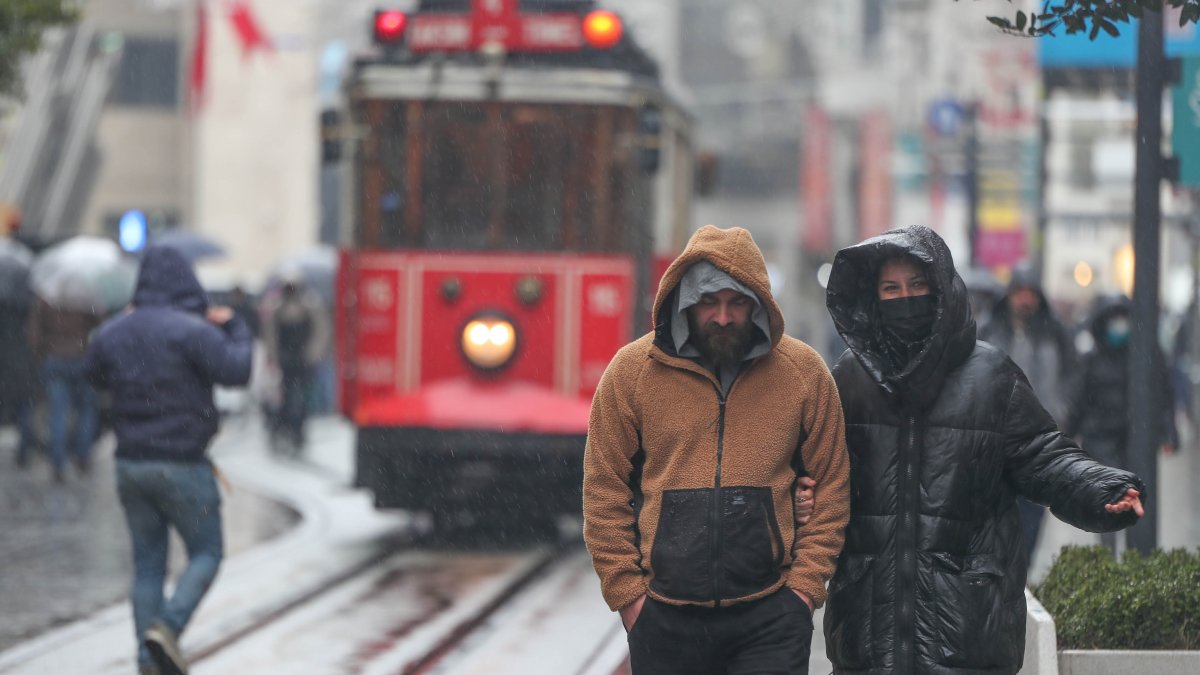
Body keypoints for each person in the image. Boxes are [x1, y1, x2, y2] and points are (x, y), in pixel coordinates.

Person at [821, 225, 1145, 674]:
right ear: (873, 297)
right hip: (869, 633)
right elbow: (818, 473)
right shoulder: (849, 380)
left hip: (968, 629)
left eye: (918, 285)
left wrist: (1100, 489)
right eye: (891, 288)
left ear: (942, 290)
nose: (906, 297)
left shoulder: (991, 376)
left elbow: (1044, 456)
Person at [583, 225, 850, 674]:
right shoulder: (632, 373)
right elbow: (602, 490)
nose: (723, 317)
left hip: (771, 619)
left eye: (737, 302)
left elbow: (833, 489)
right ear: (685, 300)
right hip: (665, 619)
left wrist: (802, 593)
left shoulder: (803, 373)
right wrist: (629, 598)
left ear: (759, 304)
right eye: (709, 301)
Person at [85, 245, 252, 675]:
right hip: (182, 463)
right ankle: (167, 629)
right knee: (207, 552)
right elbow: (237, 370)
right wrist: (235, 326)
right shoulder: (192, 331)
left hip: (130, 464)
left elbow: (93, 372)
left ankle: (147, 660)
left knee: (147, 566)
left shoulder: (115, 331)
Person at [1063, 293, 1176, 557]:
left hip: (1136, 441)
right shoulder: (1092, 359)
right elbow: (1078, 400)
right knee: (1108, 502)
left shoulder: (1147, 355)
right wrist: (1065, 439)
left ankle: (1136, 558)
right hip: (1101, 441)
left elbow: (1163, 394)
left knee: (1136, 500)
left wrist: (1168, 430)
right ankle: (1110, 558)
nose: (1118, 325)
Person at [979, 267, 1077, 566]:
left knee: (1032, 516)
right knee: (994, 513)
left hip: (1040, 441)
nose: (1024, 300)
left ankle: (1021, 572)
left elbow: (1072, 376)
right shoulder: (990, 331)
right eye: (1019, 292)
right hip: (995, 438)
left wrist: (1063, 412)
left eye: (1030, 293)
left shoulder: (1054, 333)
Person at [27, 292, 102, 481]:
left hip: (55, 359)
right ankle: (82, 455)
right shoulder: (85, 297)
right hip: (81, 357)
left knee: (57, 412)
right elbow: (101, 322)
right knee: (86, 410)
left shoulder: (45, 298)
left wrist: (42, 353)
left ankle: (58, 461)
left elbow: (34, 332)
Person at [260, 271, 329, 453]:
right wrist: (274, 356)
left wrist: (312, 354)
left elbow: (320, 331)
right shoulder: (277, 306)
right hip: (286, 360)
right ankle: (284, 429)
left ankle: (298, 431)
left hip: (303, 359)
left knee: (303, 397)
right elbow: (270, 334)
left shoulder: (310, 304)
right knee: (285, 396)